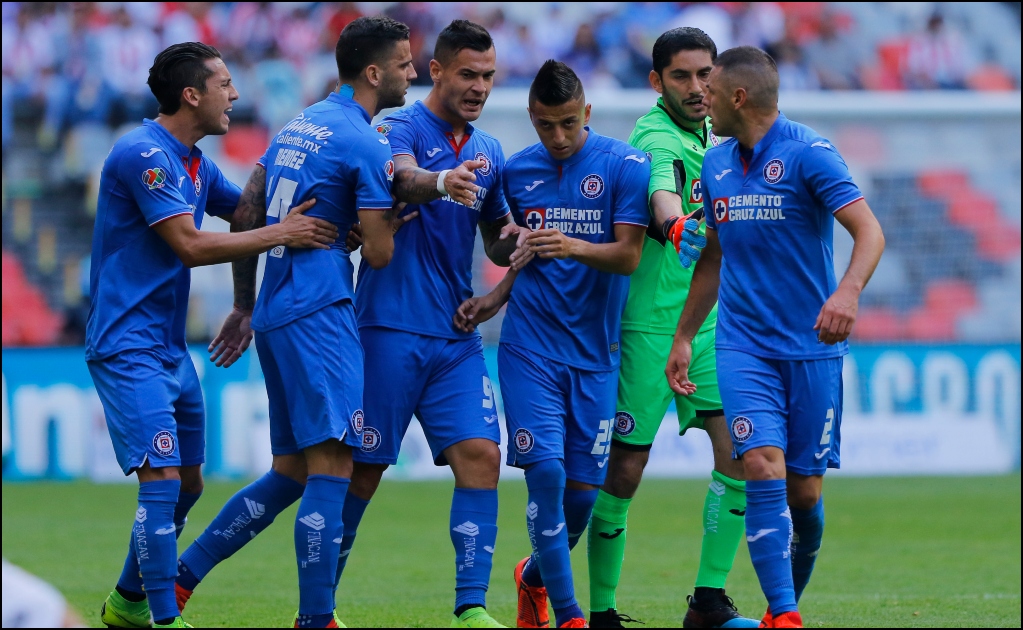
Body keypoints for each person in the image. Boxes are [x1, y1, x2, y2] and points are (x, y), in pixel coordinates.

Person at [171, 17, 414, 628]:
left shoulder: (301, 123)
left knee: (290, 472)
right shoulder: (364, 140)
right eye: (406, 63)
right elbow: (381, 255)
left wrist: (247, 304)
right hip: (320, 311)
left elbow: (251, 204)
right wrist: (385, 224)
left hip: (278, 310)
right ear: (375, 72)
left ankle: (181, 578)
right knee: (333, 466)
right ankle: (316, 619)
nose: (413, 73)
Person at [88, 42, 339, 630]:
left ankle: (126, 602)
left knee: (189, 486)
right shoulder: (142, 153)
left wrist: (337, 221)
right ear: (191, 94)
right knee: (162, 481)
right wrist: (287, 232)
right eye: (225, 83)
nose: (236, 94)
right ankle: (162, 620)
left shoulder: (195, 163)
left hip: (168, 348)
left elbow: (247, 213)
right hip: (128, 346)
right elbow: (192, 244)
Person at [667, 46, 885, 628]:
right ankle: (786, 617)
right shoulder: (715, 165)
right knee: (761, 463)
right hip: (742, 347)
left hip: (812, 348)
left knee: (804, 495)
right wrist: (685, 336)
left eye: (709, 91)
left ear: (738, 97)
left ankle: (776, 609)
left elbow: (869, 231)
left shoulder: (808, 153)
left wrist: (847, 292)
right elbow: (713, 256)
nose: (701, 101)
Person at [337, 19, 530, 629]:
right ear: (437, 70)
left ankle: (470, 607)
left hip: (454, 334)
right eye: (468, 74)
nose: (479, 87)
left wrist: (520, 241)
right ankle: (317, 607)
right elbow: (401, 179)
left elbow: (496, 242)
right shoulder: (396, 126)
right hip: (387, 328)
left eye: (488, 77)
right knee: (362, 471)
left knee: (481, 455)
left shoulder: (489, 150)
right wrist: (443, 181)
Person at [455, 60, 649, 629]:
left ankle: (532, 578)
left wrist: (573, 245)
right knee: (545, 476)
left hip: (595, 356)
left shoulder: (624, 166)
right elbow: (512, 248)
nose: (557, 137)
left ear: (585, 112)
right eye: (545, 125)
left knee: (583, 500)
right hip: (529, 348)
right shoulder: (516, 172)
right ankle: (569, 616)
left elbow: (629, 255)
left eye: (567, 123)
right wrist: (500, 289)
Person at [585, 28, 757, 629]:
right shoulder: (652, 135)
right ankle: (599, 607)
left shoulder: (716, 133)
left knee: (736, 453)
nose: (697, 87)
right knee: (625, 470)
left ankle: (708, 602)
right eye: (681, 76)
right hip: (647, 327)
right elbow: (661, 190)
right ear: (657, 82)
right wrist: (677, 225)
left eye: (705, 74)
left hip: (706, 323)